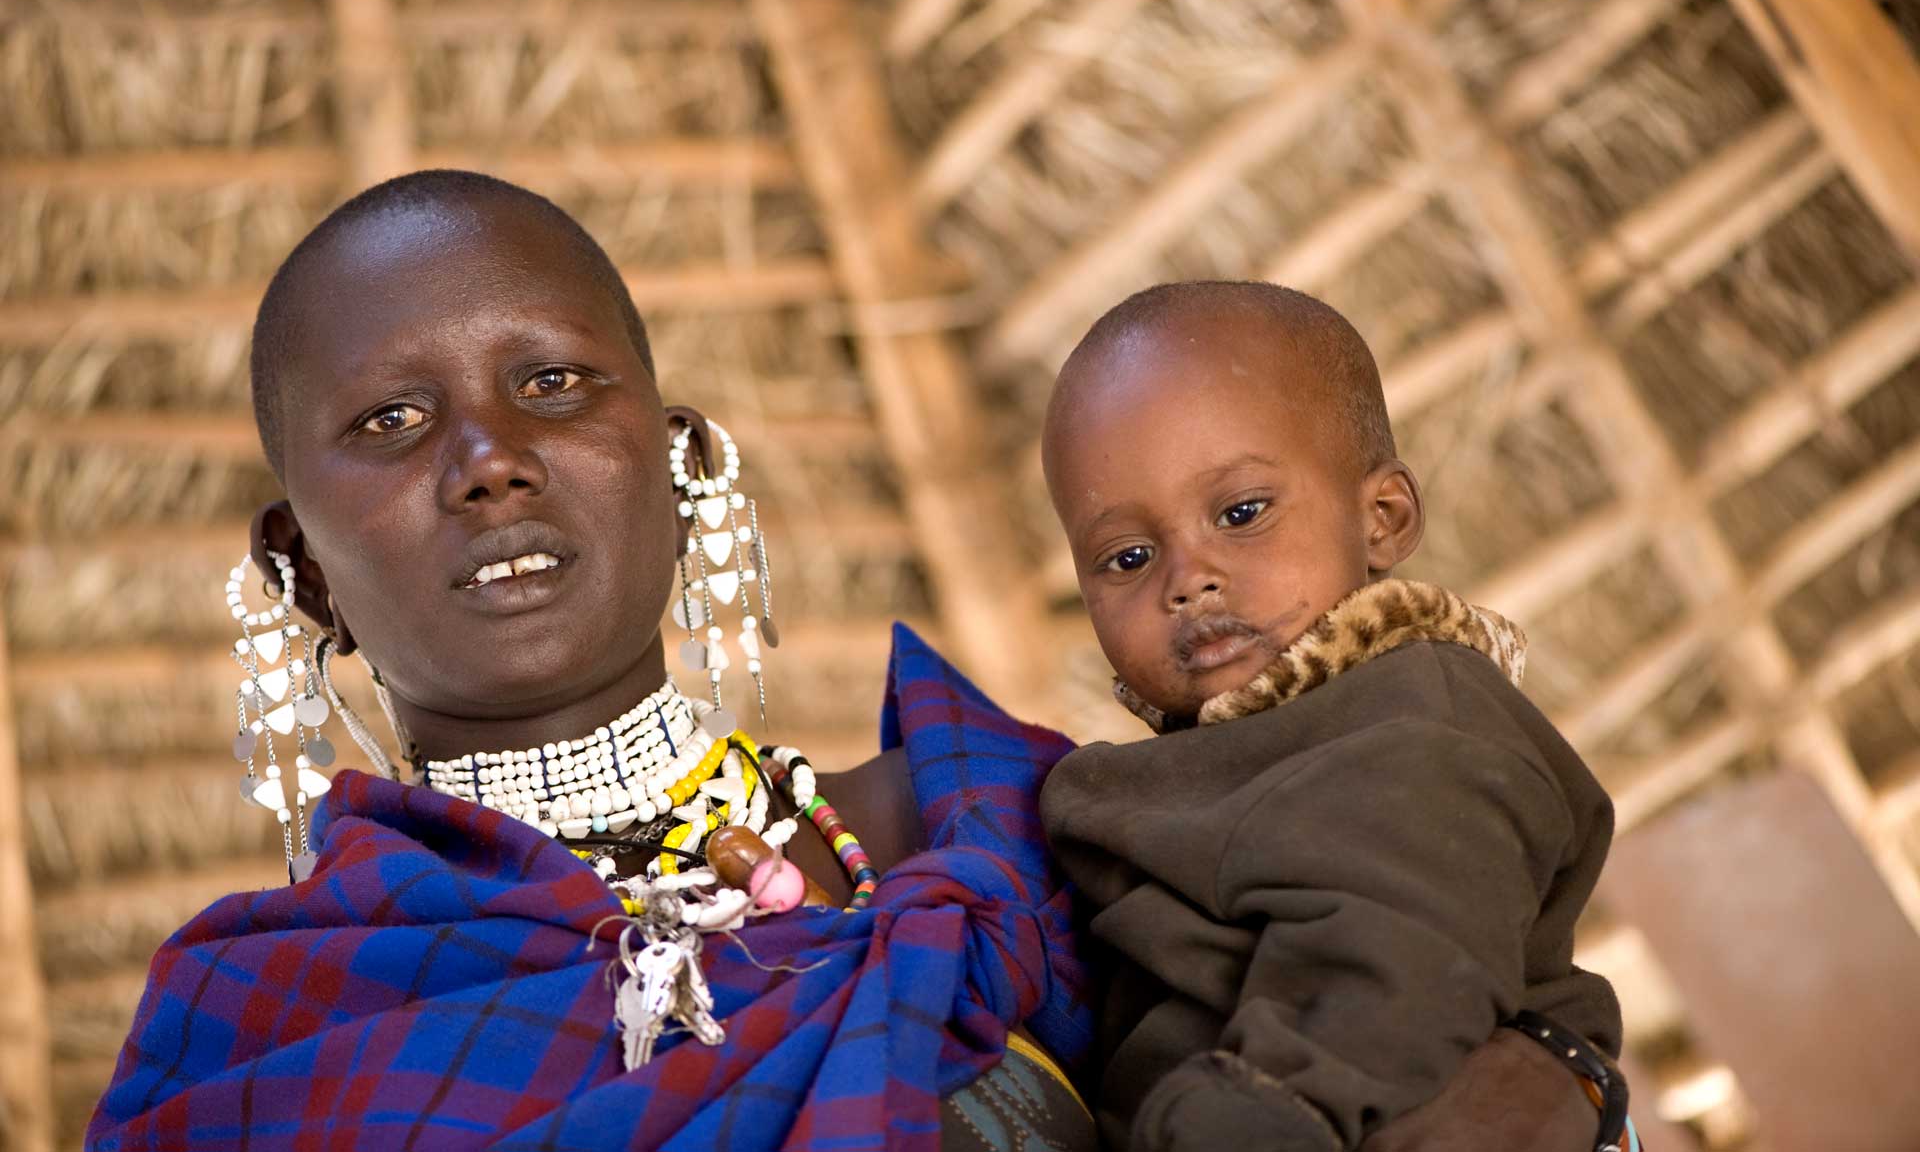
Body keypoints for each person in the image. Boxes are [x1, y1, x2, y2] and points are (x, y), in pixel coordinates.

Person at [89, 174, 1611, 1151]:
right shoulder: (270, 1036)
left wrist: (1566, 1071)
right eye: (392, 422)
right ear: (298, 569)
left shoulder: (1017, 826)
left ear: (682, 469)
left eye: (553, 382)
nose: (491, 460)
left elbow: (1419, 1004)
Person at [1038, 281, 1631, 1151]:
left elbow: (1402, 956)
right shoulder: (1186, 767)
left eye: (1241, 514)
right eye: (1128, 556)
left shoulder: (1415, 721)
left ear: (1382, 518)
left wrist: (1259, 1112)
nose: (1188, 579)